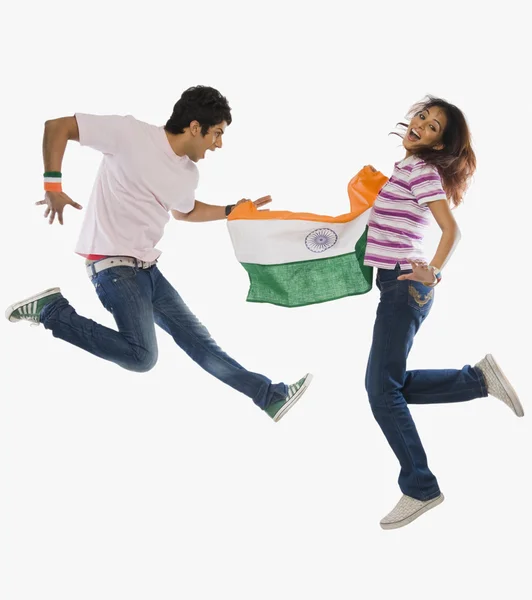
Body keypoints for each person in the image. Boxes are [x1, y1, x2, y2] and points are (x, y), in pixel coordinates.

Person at [5, 85, 312, 422]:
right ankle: (52, 311)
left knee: (200, 343)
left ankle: (269, 395)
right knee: (141, 356)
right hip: (114, 269)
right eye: (217, 133)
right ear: (196, 127)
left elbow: (186, 211)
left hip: (148, 271)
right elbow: (57, 126)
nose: (218, 144)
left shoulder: (187, 173)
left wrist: (231, 209)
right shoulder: (130, 134)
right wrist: (53, 186)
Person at [363, 96, 524, 530]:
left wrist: (431, 272)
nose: (421, 125)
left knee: (381, 390)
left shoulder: (420, 170)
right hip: (396, 285)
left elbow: (452, 230)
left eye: (433, 127)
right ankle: (477, 379)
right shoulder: (406, 169)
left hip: (406, 286)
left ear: (437, 145)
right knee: (386, 388)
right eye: (422, 117)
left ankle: (420, 486)